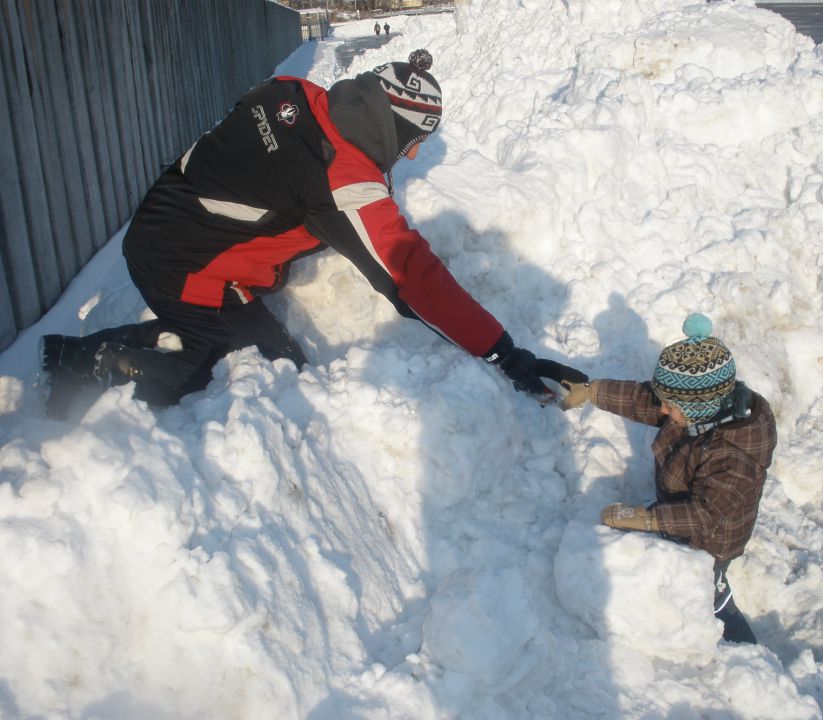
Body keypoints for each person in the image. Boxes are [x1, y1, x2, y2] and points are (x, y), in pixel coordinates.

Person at [41, 50, 564, 419]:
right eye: (413, 141)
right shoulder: (341, 182)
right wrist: (504, 353)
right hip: (185, 266)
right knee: (247, 373)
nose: (412, 156)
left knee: (271, 361)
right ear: (394, 125)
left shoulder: (292, 92)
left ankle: (145, 339)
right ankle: (89, 360)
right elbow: (412, 279)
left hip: (167, 223)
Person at [561, 313, 777, 644]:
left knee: (711, 594)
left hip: (712, 539)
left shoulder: (733, 457)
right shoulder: (700, 411)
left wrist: (648, 519)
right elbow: (643, 400)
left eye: (671, 407)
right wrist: (593, 391)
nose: (663, 411)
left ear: (702, 408)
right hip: (680, 511)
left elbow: (704, 514)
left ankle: (743, 648)